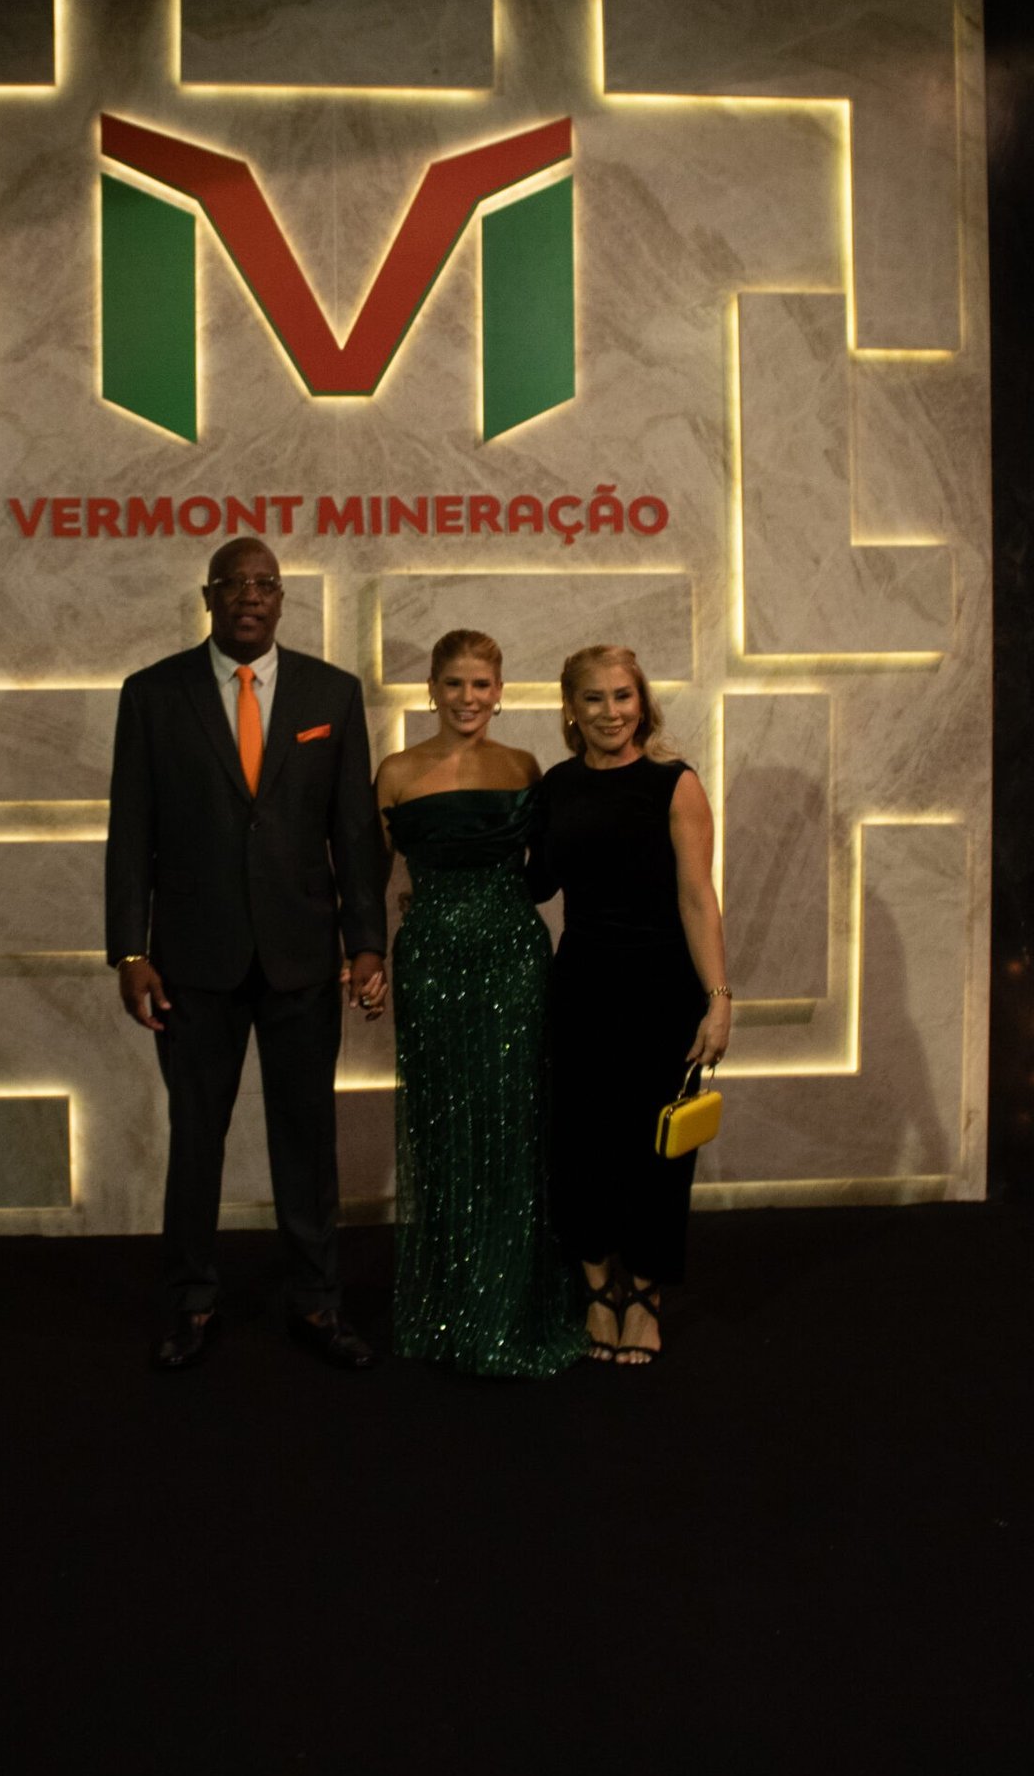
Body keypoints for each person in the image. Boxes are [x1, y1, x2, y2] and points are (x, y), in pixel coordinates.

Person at [105, 537, 388, 1372]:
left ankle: (317, 1300)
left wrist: (366, 944)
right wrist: (128, 951)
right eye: (234, 583)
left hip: (303, 957)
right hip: (193, 963)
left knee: (307, 1140)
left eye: (265, 583)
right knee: (196, 1140)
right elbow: (132, 834)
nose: (251, 596)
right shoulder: (153, 694)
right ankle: (191, 1303)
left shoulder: (332, 694)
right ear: (208, 596)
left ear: (282, 598)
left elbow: (353, 836)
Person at [372, 631, 583, 1376]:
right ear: (431, 689)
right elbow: (370, 877)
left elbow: (548, 870)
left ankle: (515, 1302)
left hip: (514, 958)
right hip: (430, 959)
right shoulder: (396, 772)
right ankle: (452, 1301)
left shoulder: (524, 767)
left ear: (500, 692)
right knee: (442, 1124)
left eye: (481, 685)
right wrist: (363, 957)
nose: (468, 698)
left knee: (514, 1122)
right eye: (455, 684)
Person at [529, 645, 731, 1366]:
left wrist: (718, 999)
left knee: (656, 1151)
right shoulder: (557, 786)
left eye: (622, 696)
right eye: (594, 698)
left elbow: (697, 898)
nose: (610, 712)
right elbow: (534, 885)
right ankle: (595, 1289)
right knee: (580, 1144)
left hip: (662, 989)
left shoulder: (675, 785)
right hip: (581, 985)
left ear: (642, 703)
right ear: (571, 709)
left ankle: (643, 1294)